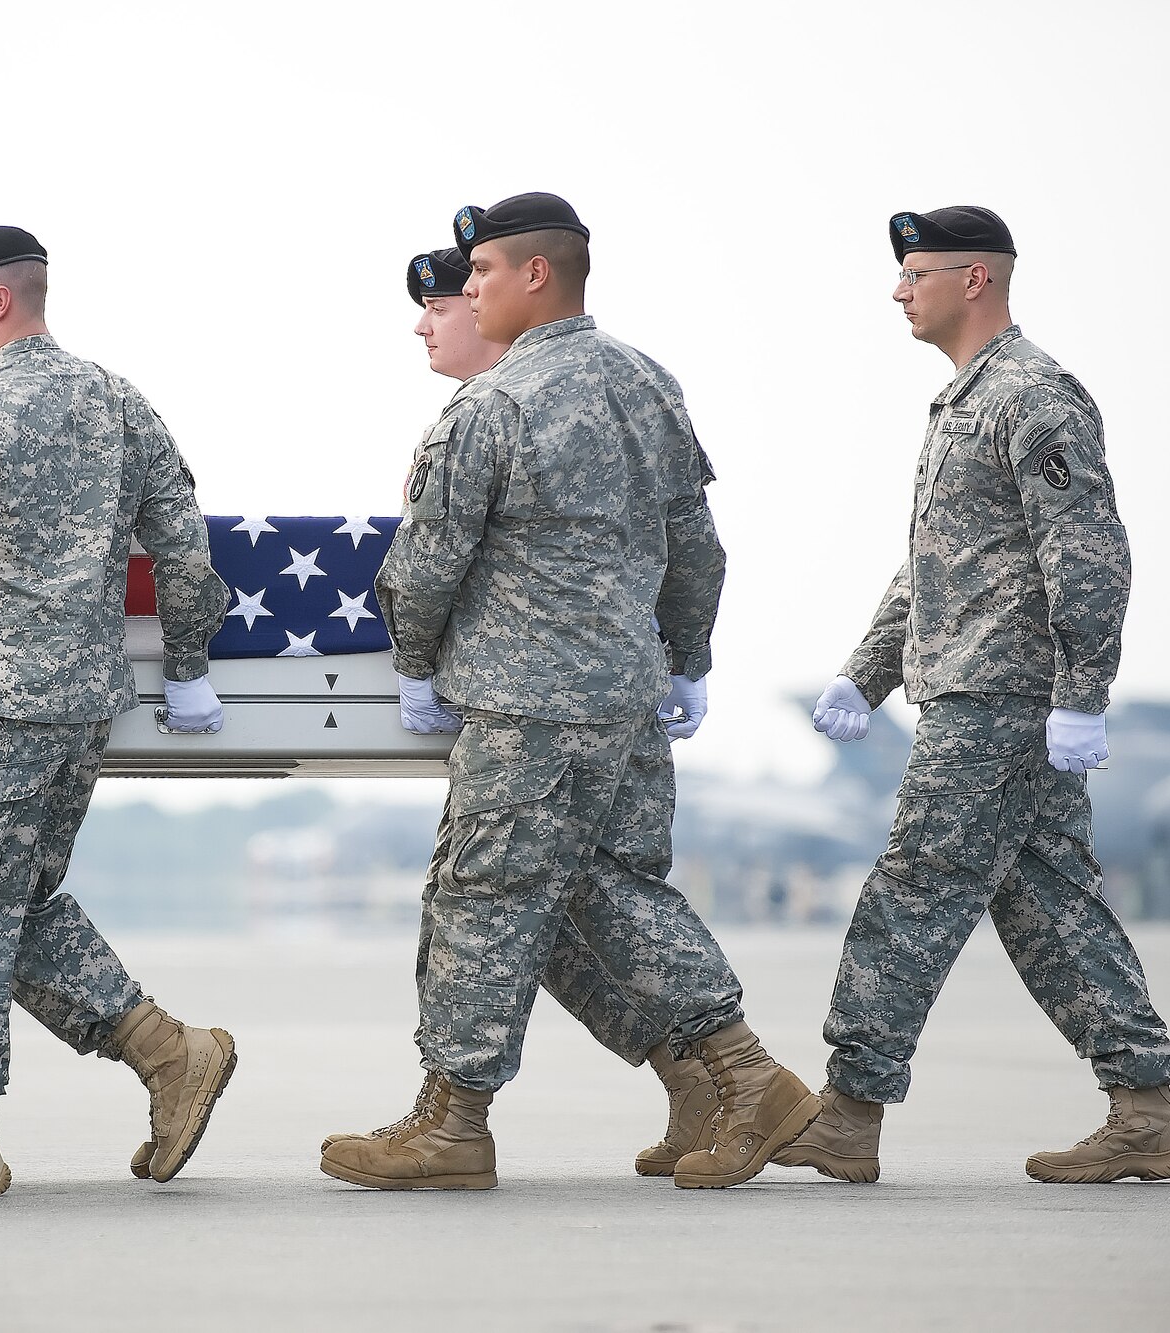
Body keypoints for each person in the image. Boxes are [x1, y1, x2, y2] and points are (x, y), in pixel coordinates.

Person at [323, 194, 818, 1192]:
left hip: (529, 702)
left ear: (533, 277)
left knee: (487, 898)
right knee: (605, 894)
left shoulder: (491, 406)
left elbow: (422, 567)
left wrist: (414, 662)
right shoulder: (647, 383)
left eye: (481, 277)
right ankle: (701, 1081)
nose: (466, 293)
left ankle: (454, 1123)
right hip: (627, 693)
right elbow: (696, 548)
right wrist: (685, 656)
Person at [791, 205, 1170, 1185]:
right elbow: (929, 570)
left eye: (914, 272)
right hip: (974, 690)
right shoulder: (959, 404)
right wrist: (863, 672)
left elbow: (1087, 549)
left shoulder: (1030, 394)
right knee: (1047, 905)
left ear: (972, 280)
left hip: (999, 696)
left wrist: (1081, 691)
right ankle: (1143, 1107)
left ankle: (847, 1112)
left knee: (912, 886)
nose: (898, 289)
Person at [0, 225, 234, 1198]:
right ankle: (143, 1059)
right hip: (81, 705)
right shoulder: (118, 400)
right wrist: (187, 667)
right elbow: (186, 556)